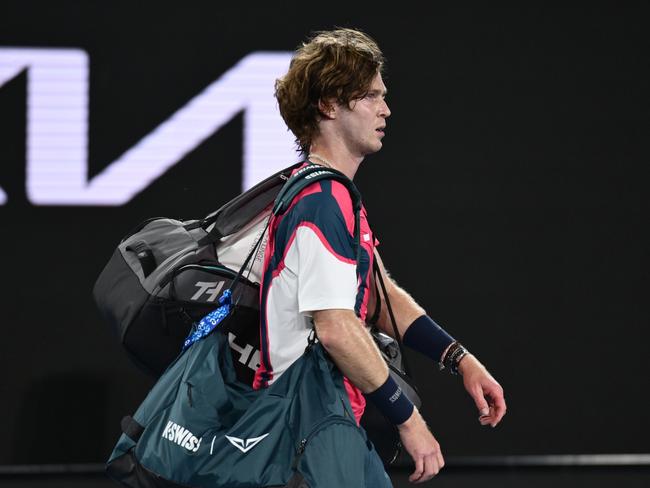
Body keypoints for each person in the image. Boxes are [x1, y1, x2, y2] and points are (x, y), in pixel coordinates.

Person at [254, 28, 507, 484]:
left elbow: (374, 293)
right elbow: (335, 326)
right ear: (329, 105)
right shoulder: (323, 199)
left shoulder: (331, 192)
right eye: (370, 96)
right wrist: (408, 420)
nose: (386, 108)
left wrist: (458, 358)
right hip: (301, 433)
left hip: (320, 426)